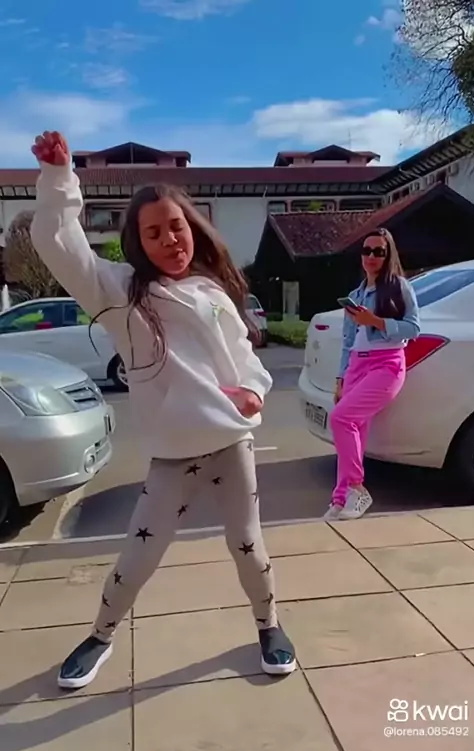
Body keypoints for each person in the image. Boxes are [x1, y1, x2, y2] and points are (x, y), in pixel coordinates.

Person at [30, 130, 296, 689]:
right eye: (153, 232)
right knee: (137, 556)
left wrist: (253, 391)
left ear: (192, 227)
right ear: (138, 242)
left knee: (248, 547)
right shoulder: (120, 293)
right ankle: (99, 635)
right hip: (174, 457)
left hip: (231, 444)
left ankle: (269, 626)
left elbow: (244, 358)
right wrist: (58, 177)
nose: (170, 239)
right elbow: (59, 245)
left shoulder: (212, 292)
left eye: (176, 226)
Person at [324, 228, 420, 521]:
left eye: (379, 251)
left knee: (341, 418)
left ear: (388, 255)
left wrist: (375, 321)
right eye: (367, 251)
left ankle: (356, 487)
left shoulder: (399, 287)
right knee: (352, 430)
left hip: (386, 364)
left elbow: (413, 328)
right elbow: (347, 342)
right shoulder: (356, 295)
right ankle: (340, 499)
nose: (372, 256)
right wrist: (340, 379)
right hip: (356, 365)